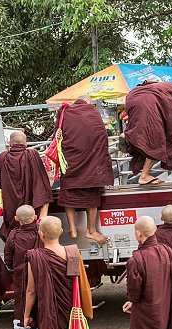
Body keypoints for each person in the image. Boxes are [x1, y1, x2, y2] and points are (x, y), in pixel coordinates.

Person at [54, 96, 114, 244]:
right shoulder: (92, 112)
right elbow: (101, 136)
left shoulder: (65, 111)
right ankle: (91, 230)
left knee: (68, 192)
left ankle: (73, 229)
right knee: (92, 197)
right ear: (89, 103)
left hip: (70, 161)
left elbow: (57, 134)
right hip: (91, 162)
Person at [123, 81, 172, 185]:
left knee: (141, 135)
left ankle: (127, 136)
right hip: (148, 102)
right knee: (156, 141)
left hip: (132, 98)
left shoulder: (157, 89)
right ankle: (144, 176)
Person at [0, 131, 52, 242]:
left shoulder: (2, 157)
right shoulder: (32, 155)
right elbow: (41, 178)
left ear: (9, 143)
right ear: (26, 143)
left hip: (11, 203)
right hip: (31, 202)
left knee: (14, 231)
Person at [4, 205, 42, 324]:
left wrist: (14, 268)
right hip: (40, 273)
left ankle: (25, 325)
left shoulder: (13, 235)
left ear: (16, 218)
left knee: (22, 301)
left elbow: (8, 257)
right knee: (41, 300)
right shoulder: (40, 232)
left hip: (21, 275)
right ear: (35, 217)